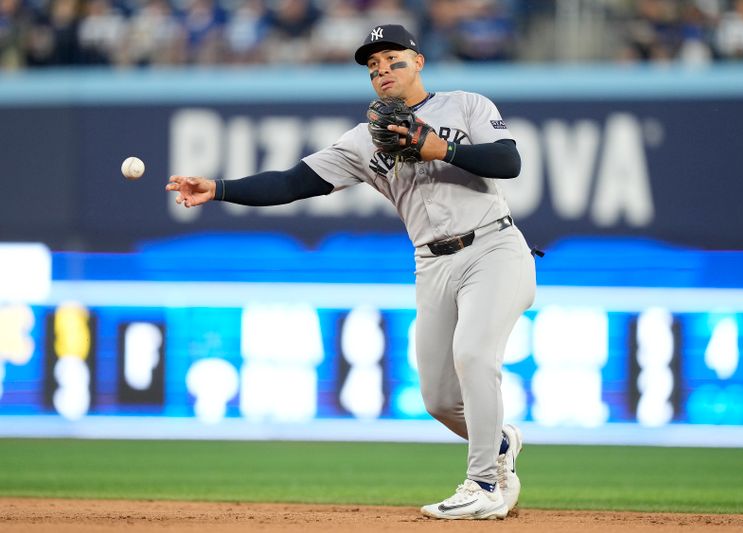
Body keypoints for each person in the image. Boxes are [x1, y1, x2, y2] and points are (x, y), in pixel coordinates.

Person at [166, 23, 538, 520]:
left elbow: (508, 161)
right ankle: (498, 445)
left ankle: (485, 484)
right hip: (431, 262)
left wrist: (440, 148)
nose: (383, 69)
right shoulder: (365, 142)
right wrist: (219, 187)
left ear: (419, 61)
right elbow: (293, 181)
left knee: (473, 356)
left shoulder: (467, 105)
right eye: (373, 66)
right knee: (439, 398)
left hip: (494, 246)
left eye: (393, 58)